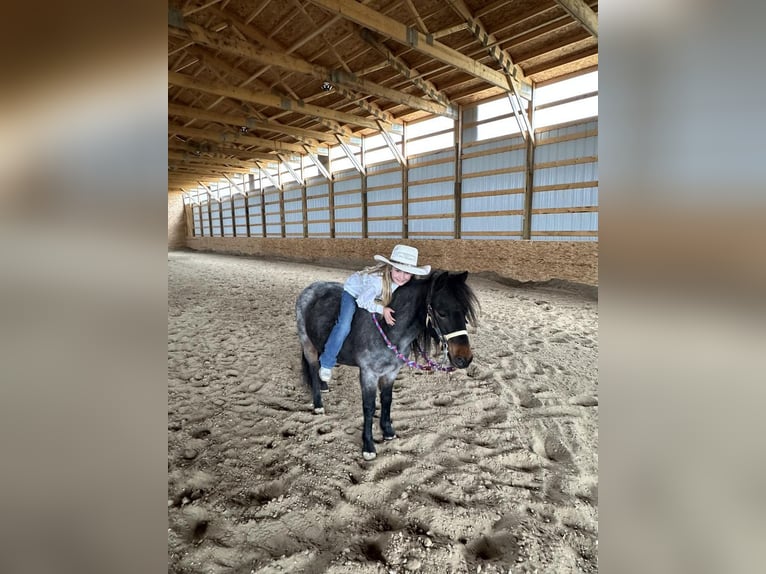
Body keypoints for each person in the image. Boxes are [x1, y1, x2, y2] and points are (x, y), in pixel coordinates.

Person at [318, 244, 431, 383]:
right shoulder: (376, 281)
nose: (402, 277)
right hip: (355, 294)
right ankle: (327, 361)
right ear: (390, 268)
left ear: (412, 274)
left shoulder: (403, 283)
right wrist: (382, 309)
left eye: (407, 273)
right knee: (344, 325)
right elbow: (362, 301)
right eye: (398, 271)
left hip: (379, 297)